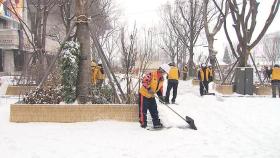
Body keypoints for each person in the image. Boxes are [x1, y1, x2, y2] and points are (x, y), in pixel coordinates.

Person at [138, 63, 170, 128]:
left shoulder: (162, 79)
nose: (164, 74)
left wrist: (160, 96)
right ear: (161, 70)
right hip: (144, 95)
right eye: (164, 72)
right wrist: (149, 88)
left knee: (154, 110)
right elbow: (144, 81)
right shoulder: (151, 74)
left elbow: (159, 88)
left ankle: (156, 123)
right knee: (143, 110)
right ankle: (143, 124)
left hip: (151, 96)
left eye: (165, 73)